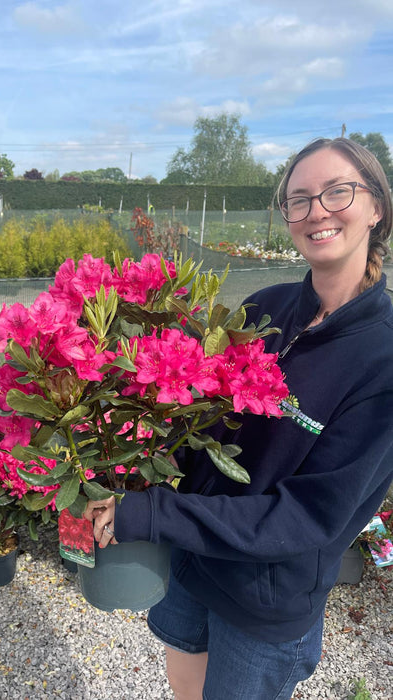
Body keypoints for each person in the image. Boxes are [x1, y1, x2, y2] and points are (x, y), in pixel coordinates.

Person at [84, 137, 393, 700]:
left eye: (337, 192)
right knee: (184, 688)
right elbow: (198, 427)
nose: (316, 211)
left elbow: (305, 520)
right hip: (192, 564)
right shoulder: (265, 308)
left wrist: (152, 515)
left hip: (262, 603)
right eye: (298, 199)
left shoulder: (382, 363)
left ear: (376, 207)